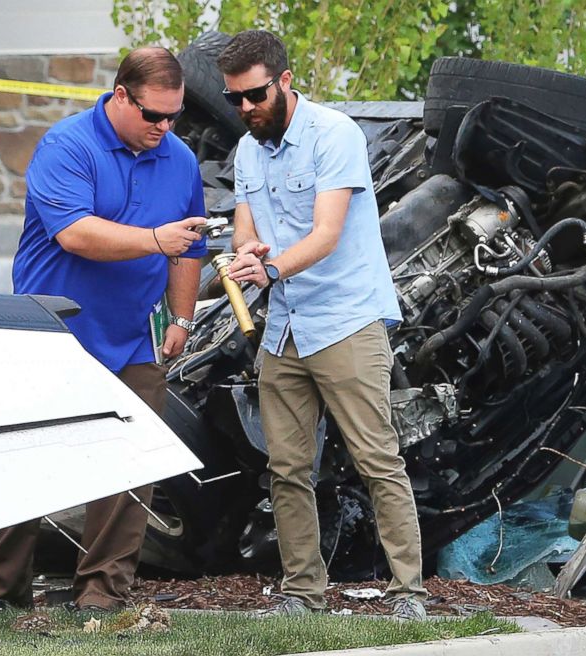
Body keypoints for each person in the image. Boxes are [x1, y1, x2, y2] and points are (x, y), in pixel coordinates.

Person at [0, 46, 207, 612]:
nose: (164, 127)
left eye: (174, 116)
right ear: (120, 96)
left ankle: (102, 593)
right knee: (26, 457)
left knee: (130, 466)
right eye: (153, 115)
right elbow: (74, 233)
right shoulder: (67, 146)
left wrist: (181, 317)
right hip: (53, 332)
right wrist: (154, 239)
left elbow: (190, 245)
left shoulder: (179, 159)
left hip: (135, 335)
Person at [217, 30, 428, 620]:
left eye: (255, 95)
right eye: (235, 99)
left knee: (376, 458)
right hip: (285, 327)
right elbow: (244, 226)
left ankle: (410, 592)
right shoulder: (249, 150)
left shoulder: (335, 134)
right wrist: (248, 249)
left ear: (284, 81)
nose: (245, 109)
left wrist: (271, 267)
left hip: (346, 320)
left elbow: (327, 234)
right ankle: (302, 594)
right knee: (285, 467)